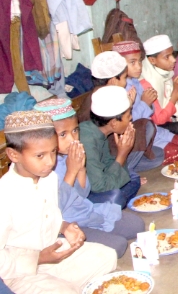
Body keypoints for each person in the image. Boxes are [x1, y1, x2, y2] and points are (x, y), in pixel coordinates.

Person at [0, 110, 116, 294]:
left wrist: (65, 227)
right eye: (40, 156)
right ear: (14, 155)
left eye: (53, 151)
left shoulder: (49, 178)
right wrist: (39, 258)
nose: (50, 162)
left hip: (51, 257)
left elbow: (48, 216)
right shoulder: (5, 195)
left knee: (107, 256)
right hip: (19, 273)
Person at [34, 99, 145, 258]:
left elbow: (83, 193)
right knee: (119, 246)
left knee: (137, 225)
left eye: (75, 131)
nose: (72, 139)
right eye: (63, 134)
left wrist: (80, 170)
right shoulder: (44, 167)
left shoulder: (68, 154)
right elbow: (56, 209)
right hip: (66, 222)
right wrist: (71, 172)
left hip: (85, 211)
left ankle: (96, 233)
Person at [113, 40, 178, 165]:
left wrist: (149, 103)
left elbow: (151, 116)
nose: (139, 67)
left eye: (139, 61)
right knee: (174, 152)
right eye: (132, 62)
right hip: (138, 135)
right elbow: (130, 122)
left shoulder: (137, 83)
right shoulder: (120, 89)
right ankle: (138, 159)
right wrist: (144, 103)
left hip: (153, 129)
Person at [81, 86, 151, 208]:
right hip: (87, 193)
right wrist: (122, 154)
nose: (131, 119)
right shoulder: (87, 139)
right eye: (128, 116)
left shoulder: (99, 131)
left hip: (100, 180)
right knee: (116, 197)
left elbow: (107, 163)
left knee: (133, 177)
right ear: (113, 123)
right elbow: (99, 186)